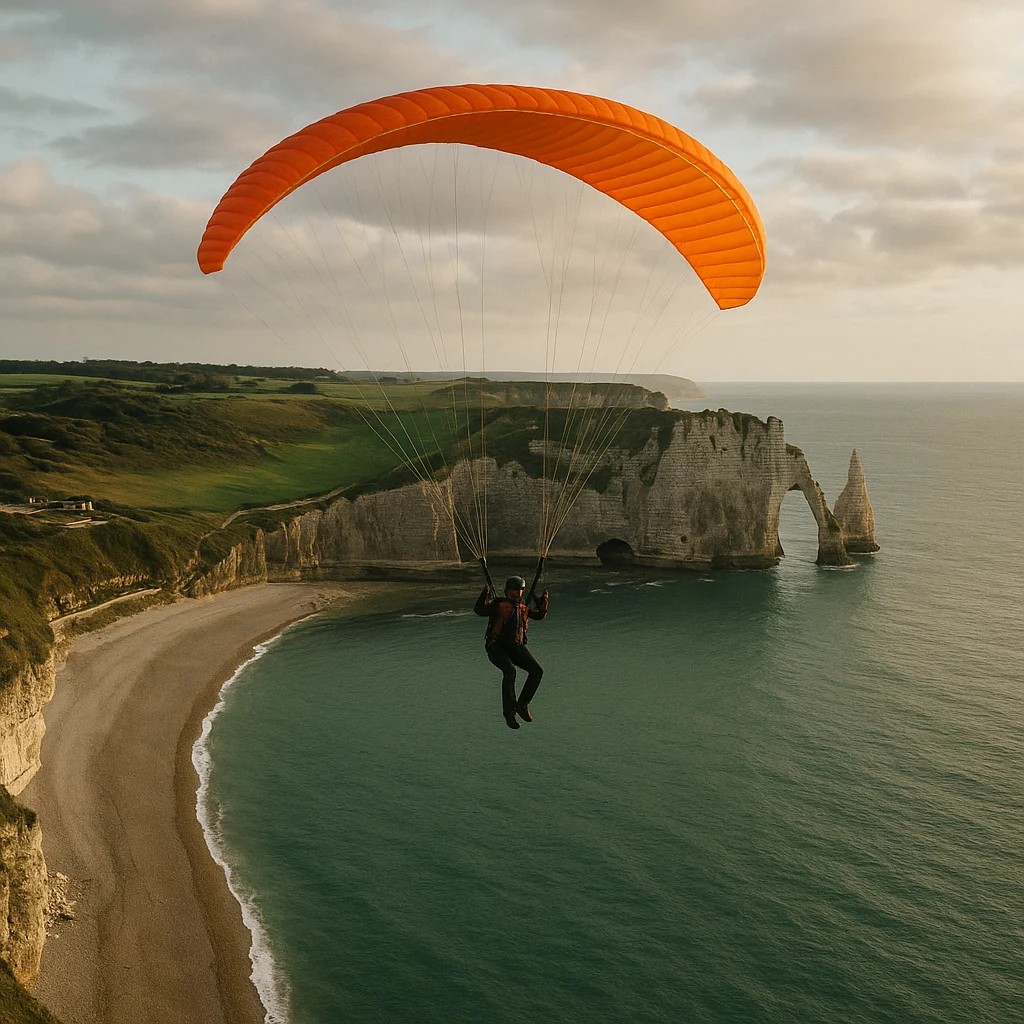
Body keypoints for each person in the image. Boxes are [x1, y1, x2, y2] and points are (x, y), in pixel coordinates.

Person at [474, 575, 549, 729]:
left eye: (521, 590)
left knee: (537, 671)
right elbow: (479, 610)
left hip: (515, 647)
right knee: (510, 671)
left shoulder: (523, 608)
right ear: (508, 591)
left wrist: (543, 602)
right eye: (515, 590)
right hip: (497, 647)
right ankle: (509, 713)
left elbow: (540, 615)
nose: (519, 593)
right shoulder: (498, 605)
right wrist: (484, 593)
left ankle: (522, 705)